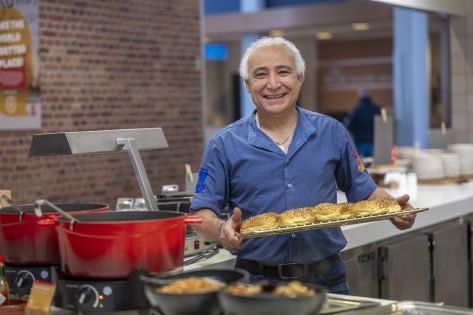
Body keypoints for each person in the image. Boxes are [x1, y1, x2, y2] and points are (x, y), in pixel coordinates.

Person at [190, 37, 416, 294]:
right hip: (256, 285)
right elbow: (200, 215)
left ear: (300, 77)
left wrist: (392, 208)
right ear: (247, 84)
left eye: (283, 72)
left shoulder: (332, 132)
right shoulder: (223, 144)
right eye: (261, 74)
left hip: (327, 280)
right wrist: (222, 229)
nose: (273, 84)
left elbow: (363, 190)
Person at [345, 90, 381, 157]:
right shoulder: (377, 109)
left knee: (361, 164)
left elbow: (350, 125)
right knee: (374, 164)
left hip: (360, 142)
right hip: (374, 141)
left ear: (360, 97)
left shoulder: (357, 109)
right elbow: (381, 125)